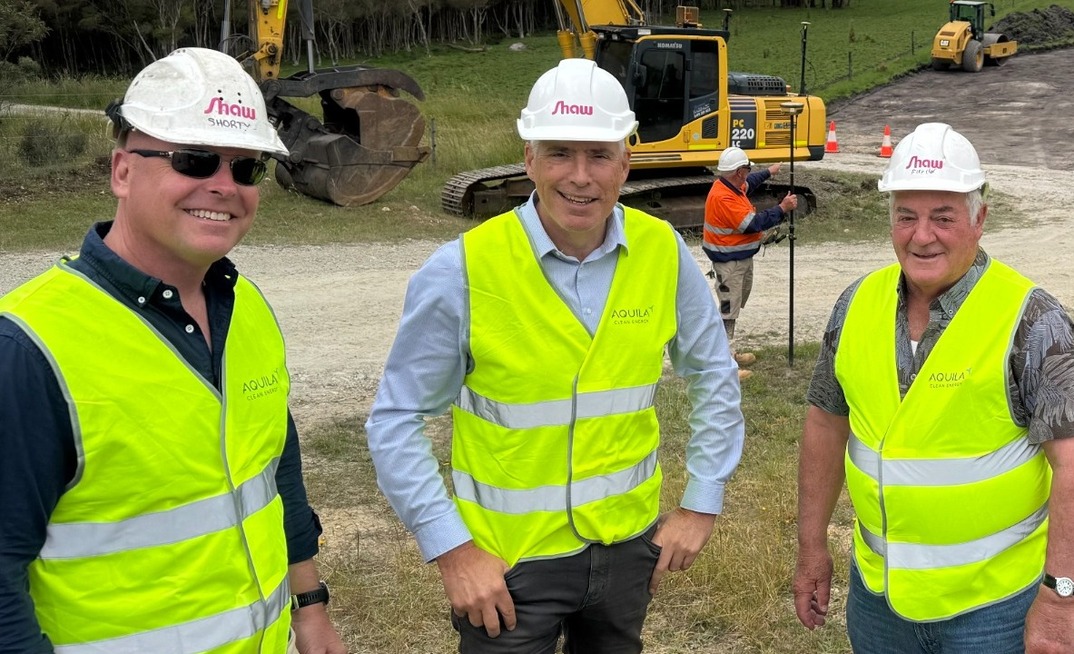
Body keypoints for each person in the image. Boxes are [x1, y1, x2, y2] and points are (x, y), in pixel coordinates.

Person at [365, 58, 745, 653]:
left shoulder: (663, 253)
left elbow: (714, 377)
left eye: (599, 155)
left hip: (627, 551)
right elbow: (396, 418)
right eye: (560, 153)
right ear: (530, 159)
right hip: (509, 565)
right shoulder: (463, 270)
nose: (580, 176)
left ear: (626, 162)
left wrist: (702, 504)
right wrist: (453, 550)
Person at [0, 48, 346, 654]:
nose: (225, 185)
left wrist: (309, 606)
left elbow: (276, 469)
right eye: (194, 159)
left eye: (247, 168)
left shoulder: (246, 307)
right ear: (122, 171)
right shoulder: (28, 349)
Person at [793, 122, 1074, 653]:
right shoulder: (856, 304)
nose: (922, 236)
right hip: (879, 599)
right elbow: (825, 425)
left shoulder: (1033, 320)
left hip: (995, 609)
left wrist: (1061, 599)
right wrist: (811, 547)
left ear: (979, 219)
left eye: (943, 217)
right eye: (907, 216)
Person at [702, 146, 798, 380]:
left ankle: (729, 353)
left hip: (738, 260)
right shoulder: (724, 197)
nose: (749, 173)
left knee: (733, 308)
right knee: (728, 311)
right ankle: (725, 364)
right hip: (729, 263)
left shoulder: (731, 185)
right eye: (747, 169)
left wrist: (769, 172)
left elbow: (750, 183)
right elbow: (753, 224)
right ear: (738, 172)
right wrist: (782, 208)